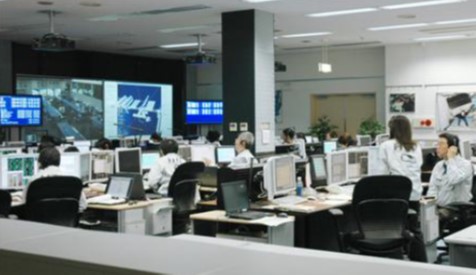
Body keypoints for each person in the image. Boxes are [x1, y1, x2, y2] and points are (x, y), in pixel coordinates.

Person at [378, 115, 427, 262]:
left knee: (393, 230)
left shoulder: (386, 145)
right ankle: (421, 264)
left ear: (392, 128)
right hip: (414, 193)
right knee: (414, 229)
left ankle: (396, 260)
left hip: (396, 195)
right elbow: (417, 166)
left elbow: (381, 174)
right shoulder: (416, 146)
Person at [427, 133, 473, 230]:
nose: (437, 147)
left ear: (452, 147)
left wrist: (451, 158)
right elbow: (432, 188)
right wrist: (428, 206)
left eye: (441, 144)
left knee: (431, 220)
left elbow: (453, 179)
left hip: (454, 208)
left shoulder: (465, 165)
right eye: (437, 144)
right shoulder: (439, 166)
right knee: (420, 217)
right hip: (438, 207)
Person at [21, 147, 87, 212]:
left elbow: (24, 205)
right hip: (66, 221)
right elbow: (83, 205)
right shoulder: (73, 181)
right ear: (59, 162)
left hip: (38, 221)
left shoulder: (34, 181)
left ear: (39, 164)